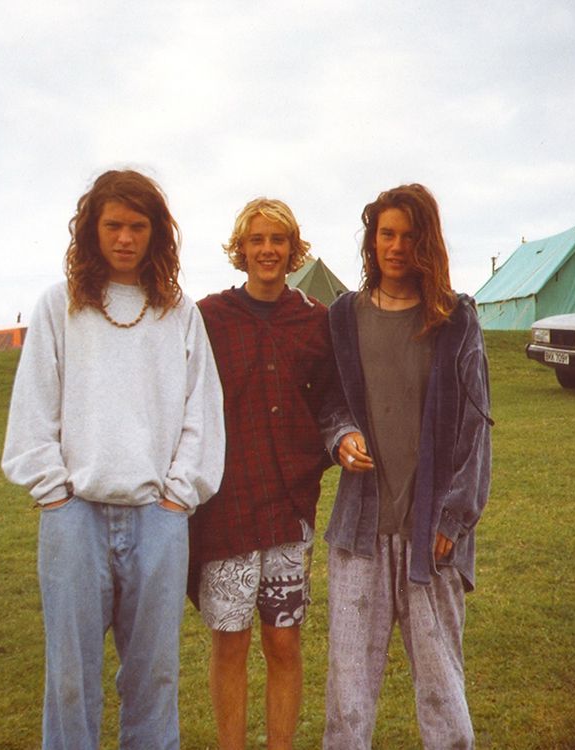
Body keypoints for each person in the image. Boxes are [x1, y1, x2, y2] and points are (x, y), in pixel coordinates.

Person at [1, 169, 225, 750]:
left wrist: (180, 495)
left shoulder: (179, 312)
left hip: (158, 518)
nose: (125, 238)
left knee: (154, 673)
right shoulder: (59, 306)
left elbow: (201, 410)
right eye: (113, 225)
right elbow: (34, 408)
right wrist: (53, 488)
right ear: (91, 230)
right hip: (74, 517)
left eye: (137, 226)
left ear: (156, 234)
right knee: (70, 678)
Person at [322, 183, 492, 749]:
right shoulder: (343, 315)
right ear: (372, 239)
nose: (396, 246)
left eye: (408, 235)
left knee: (442, 692)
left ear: (427, 242)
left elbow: (475, 430)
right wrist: (341, 434)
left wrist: (452, 519)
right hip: (359, 534)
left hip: (432, 538)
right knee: (348, 699)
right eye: (385, 233)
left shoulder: (456, 319)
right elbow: (331, 401)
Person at [190, 198, 343, 750]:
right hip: (226, 507)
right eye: (257, 239)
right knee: (229, 642)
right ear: (241, 249)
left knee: (283, 642)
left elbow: (331, 402)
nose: (268, 250)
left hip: (287, 507)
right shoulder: (209, 317)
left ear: (293, 248)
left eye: (278, 240)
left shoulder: (314, 320)